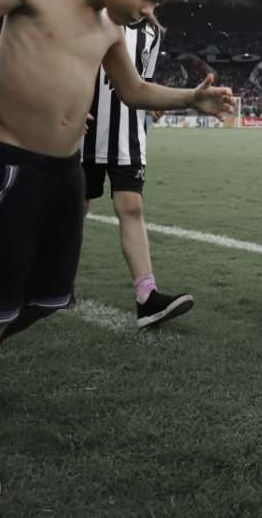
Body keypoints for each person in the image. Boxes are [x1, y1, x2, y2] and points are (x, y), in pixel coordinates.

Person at [0, 0, 235, 505]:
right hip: (10, 168)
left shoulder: (110, 30)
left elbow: (134, 91)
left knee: (48, 298)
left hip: (65, 177)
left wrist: (190, 98)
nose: (148, 11)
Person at [83, 17, 194, 329]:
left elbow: (144, 80)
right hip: (83, 132)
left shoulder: (153, 31)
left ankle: (147, 296)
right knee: (75, 208)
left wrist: (152, 103)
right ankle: (52, 279)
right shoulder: (95, 14)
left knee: (132, 207)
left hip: (128, 136)